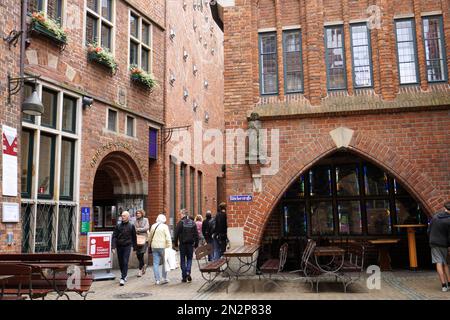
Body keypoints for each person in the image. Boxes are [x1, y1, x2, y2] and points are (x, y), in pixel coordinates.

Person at [428, 201, 450, 292]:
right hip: (443, 243)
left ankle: (444, 285)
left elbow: (428, 230)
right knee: (445, 263)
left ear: (445, 208)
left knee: (438, 262)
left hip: (433, 242)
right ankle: (449, 282)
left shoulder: (435, 217)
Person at [112, 211, 137, 286]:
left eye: (124, 216)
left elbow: (134, 237)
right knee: (121, 262)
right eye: (122, 216)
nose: (122, 217)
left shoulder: (131, 226)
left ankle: (122, 278)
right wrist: (113, 247)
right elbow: (114, 236)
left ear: (128, 217)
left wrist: (135, 248)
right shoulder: (118, 226)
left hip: (127, 246)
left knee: (125, 261)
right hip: (119, 246)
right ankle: (124, 274)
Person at [174, 209, 199, 283]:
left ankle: (184, 276)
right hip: (190, 244)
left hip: (182, 244)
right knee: (189, 259)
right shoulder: (192, 223)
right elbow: (196, 235)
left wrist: (175, 244)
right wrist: (196, 244)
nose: (179, 215)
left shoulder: (180, 223)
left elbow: (176, 234)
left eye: (180, 214)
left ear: (182, 214)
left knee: (182, 260)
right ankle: (188, 271)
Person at [148, 213, 172, 285]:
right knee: (165, 262)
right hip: (163, 247)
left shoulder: (153, 226)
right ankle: (164, 278)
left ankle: (157, 280)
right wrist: (169, 246)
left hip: (154, 247)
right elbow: (168, 237)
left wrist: (149, 244)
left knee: (155, 263)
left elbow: (150, 236)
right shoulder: (165, 226)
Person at [135, 209, 149, 278]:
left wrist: (138, 229)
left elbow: (146, 227)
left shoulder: (146, 220)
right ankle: (143, 265)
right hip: (137, 240)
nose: (138, 214)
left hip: (144, 239)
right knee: (138, 254)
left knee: (141, 253)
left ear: (142, 214)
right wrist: (137, 229)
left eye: (139, 213)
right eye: (137, 213)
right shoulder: (135, 221)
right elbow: (134, 228)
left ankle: (140, 270)